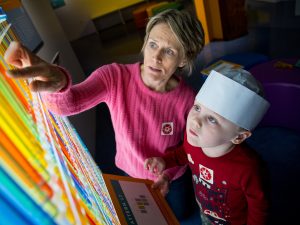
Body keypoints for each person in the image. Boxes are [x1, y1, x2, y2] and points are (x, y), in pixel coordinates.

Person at [4, 9, 204, 220]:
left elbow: (190, 146)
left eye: (170, 51)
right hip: (132, 175)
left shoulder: (189, 100)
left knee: (181, 215)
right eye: (153, 44)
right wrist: (58, 85)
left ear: (184, 59)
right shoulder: (114, 76)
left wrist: (167, 171)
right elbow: (69, 104)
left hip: (174, 177)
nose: (156, 57)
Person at [145, 68, 270, 225]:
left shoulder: (248, 168)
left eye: (212, 119)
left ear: (239, 136)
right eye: (197, 108)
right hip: (205, 211)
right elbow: (185, 153)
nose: (196, 121)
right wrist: (166, 161)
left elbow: (258, 206)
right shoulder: (194, 140)